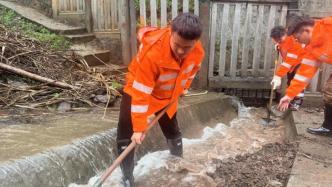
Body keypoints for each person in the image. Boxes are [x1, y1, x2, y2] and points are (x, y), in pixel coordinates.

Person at [116, 13, 205, 186]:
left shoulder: (198, 51)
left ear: (195, 42)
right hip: (138, 88)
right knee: (127, 133)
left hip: (167, 93)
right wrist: (139, 128)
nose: (181, 51)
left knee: (172, 127)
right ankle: (127, 177)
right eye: (177, 45)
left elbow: (192, 70)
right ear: (171, 32)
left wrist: (184, 88)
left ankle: (177, 160)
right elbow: (141, 93)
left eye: (186, 47)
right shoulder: (153, 53)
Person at [278, 16, 332, 136]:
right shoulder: (311, 49)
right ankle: (328, 128)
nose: (297, 41)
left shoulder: (329, 26)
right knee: (329, 92)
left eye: (297, 38)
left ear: (307, 30)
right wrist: (289, 95)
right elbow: (303, 75)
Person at [270, 26, 305, 110]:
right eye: (276, 40)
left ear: (283, 35)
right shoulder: (283, 38)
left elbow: (288, 63)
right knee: (290, 81)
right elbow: (283, 45)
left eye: (279, 40)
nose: (277, 41)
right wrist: (279, 46)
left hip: (301, 62)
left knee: (297, 81)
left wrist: (278, 76)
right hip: (292, 63)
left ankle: (297, 102)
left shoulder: (294, 42)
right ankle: (290, 100)